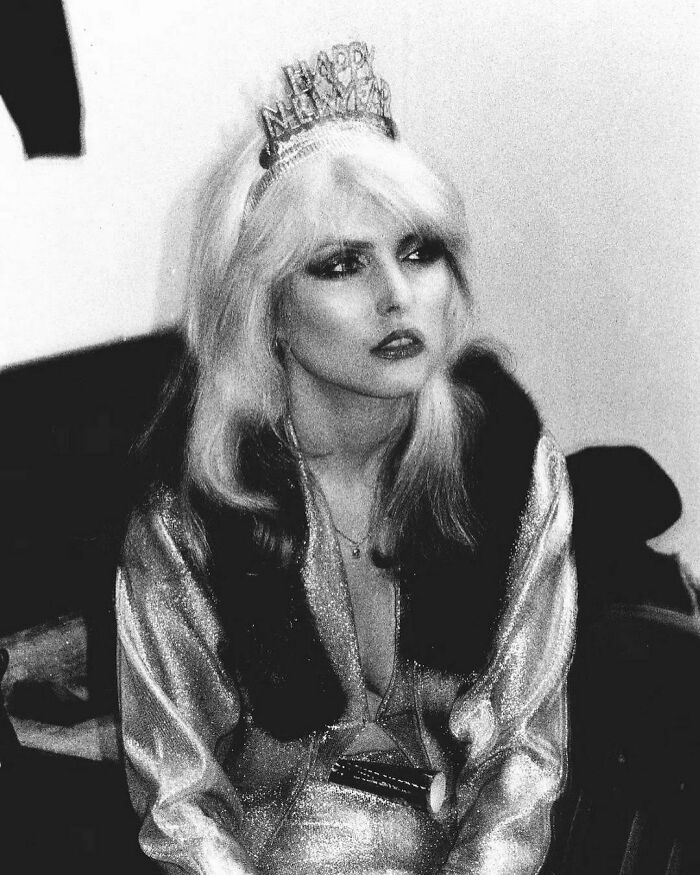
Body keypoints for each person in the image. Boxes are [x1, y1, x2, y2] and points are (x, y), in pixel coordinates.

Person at [116, 41, 577, 875]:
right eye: (341, 265)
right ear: (267, 310)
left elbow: (524, 754)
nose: (397, 296)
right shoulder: (189, 509)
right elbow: (181, 804)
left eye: (419, 251)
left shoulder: (509, 464)